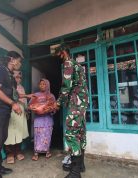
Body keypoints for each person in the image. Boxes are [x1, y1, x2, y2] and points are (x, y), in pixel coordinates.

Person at [53, 45, 89, 178]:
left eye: (58, 55)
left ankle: (75, 173)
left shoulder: (68, 63)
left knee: (71, 135)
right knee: (80, 133)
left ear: (63, 52)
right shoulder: (78, 65)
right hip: (82, 102)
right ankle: (80, 166)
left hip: (76, 102)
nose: (59, 58)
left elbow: (66, 86)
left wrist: (58, 103)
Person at [4, 72, 30, 164]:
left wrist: (26, 110)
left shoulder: (22, 87)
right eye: (16, 77)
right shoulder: (7, 87)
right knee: (9, 132)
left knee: (19, 131)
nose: (18, 79)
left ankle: (18, 151)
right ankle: (9, 153)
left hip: (20, 111)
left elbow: (25, 100)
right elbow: (11, 97)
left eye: (19, 77)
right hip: (11, 110)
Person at [28, 78, 56, 161]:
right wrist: (35, 108)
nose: (42, 86)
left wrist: (50, 109)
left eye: (44, 84)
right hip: (38, 119)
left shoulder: (51, 96)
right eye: (40, 84)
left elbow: (55, 108)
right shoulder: (35, 95)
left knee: (47, 135)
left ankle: (47, 151)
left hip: (48, 119)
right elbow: (29, 106)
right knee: (38, 135)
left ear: (47, 85)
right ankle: (36, 153)